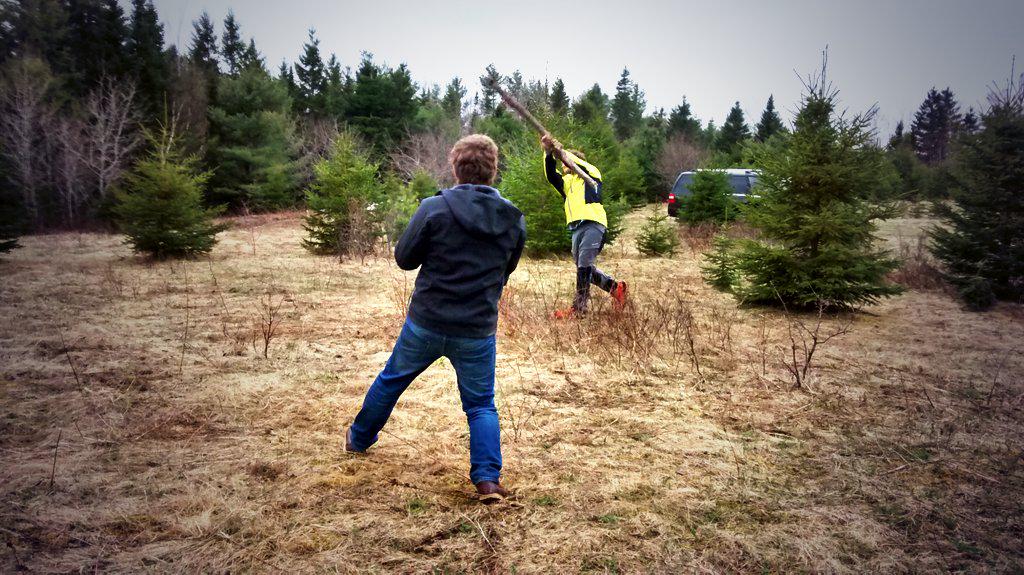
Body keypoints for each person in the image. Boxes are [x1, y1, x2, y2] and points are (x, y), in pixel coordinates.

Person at [345, 134, 525, 504]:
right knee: (480, 405)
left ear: (455, 167)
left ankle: (358, 439)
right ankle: (488, 481)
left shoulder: (433, 208)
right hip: (476, 328)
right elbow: (505, 270)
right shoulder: (512, 218)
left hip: (427, 322)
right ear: (493, 170)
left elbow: (404, 258)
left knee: (392, 380)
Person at [541, 134, 627, 317]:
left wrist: (561, 152)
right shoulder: (567, 183)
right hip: (576, 228)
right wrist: (548, 153)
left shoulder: (592, 173)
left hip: (593, 224)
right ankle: (615, 288)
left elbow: (578, 165)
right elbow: (550, 175)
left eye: (564, 163)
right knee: (584, 267)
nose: (563, 167)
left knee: (584, 265)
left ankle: (579, 308)